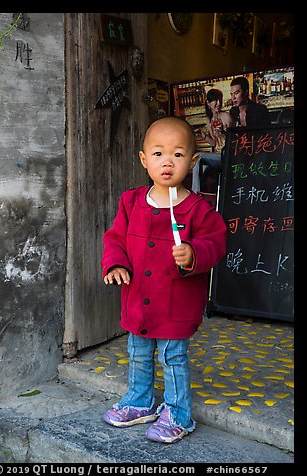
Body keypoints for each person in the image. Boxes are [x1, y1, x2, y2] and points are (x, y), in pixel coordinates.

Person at [101, 116, 227, 444]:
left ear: (193, 161)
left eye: (178, 154)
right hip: (137, 300)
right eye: (158, 154)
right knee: (138, 354)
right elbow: (114, 238)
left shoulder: (199, 210)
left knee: (172, 358)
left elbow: (216, 242)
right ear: (144, 160)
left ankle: (178, 414)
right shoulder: (130, 202)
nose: (167, 161)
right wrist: (115, 263)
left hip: (176, 305)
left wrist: (194, 253)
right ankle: (139, 401)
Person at [198, 88, 234, 153]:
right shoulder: (209, 121)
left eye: (220, 100)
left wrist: (223, 131)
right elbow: (214, 144)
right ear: (208, 103)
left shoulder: (226, 116)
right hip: (218, 155)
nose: (219, 103)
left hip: (229, 154)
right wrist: (202, 134)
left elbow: (235, 140)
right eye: (215, 100)